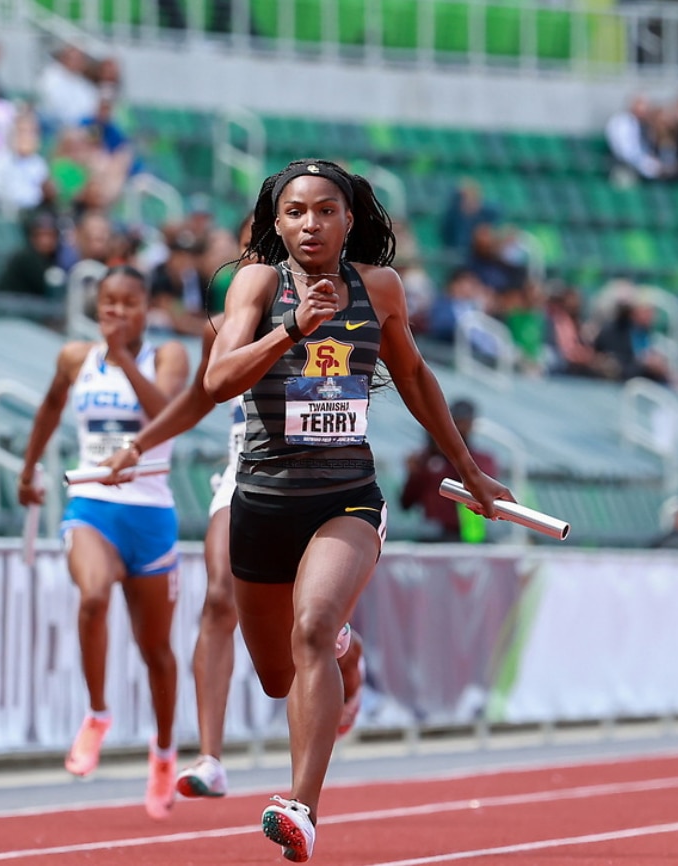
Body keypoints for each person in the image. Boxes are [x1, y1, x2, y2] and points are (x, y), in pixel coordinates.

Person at [201, 158, 509, 862]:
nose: (311, 224)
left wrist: (472, 472)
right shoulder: (256, 284)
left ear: (350, 218)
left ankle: (301, 809)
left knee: (311, 626)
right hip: (262, 498)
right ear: (276, 225)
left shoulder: (379, 289)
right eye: (296, 213)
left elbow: (415, 377)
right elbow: (218, 381)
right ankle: (348, 649)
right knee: (280, 674)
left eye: (326, 210)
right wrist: (289, 332)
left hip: (344, 495)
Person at [97, 225, 367, 802]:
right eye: (253, 247)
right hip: (246, 478)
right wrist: (138, 446)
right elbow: (201, 395)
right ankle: (211, 757)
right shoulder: (227, 321)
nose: (262, 258)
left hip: (318, 483)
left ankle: (344, 644)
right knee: (219, 596)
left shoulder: (342, 306)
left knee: (310, 623)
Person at [14, 266, 191, 821]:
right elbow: (48, 407)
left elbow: (168, 414)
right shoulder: (75, 358)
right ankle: (97, 714)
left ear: (148, 309)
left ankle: (163, 752)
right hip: (92, 506)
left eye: (129, 304)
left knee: (156, 652)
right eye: (108, 304)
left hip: (151, 515)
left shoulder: (169, 358)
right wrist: (29, 469)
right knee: (92, 596)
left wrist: (123, 361)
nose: (117, 313)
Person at [398, 398, 500, 542]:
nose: (459, 428)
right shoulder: (426, 460)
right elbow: (406, 502)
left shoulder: (479, 460)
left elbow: (483, 489)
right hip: (433, 535)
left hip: (469, 535)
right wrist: (416, 472)